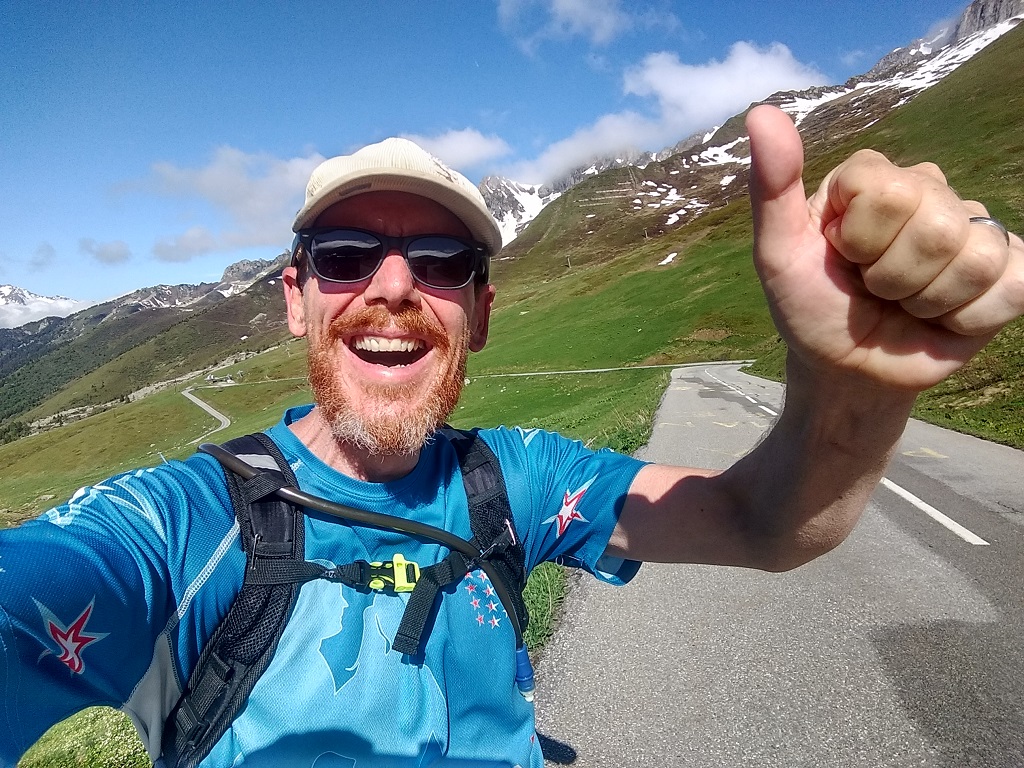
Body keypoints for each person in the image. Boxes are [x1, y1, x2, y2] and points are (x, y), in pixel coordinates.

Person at [1, 104, 1021, 768]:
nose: (393, 288)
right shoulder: (180, 525)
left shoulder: (519, 480)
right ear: (297, 301)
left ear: (480, 313)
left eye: (440, 261)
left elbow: (763, 524)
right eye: (349, 255)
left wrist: (850, 390)